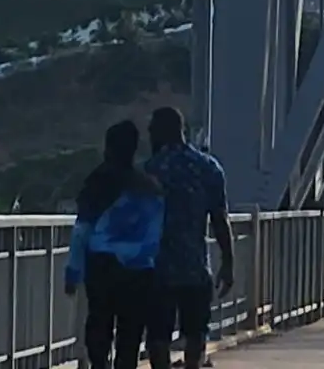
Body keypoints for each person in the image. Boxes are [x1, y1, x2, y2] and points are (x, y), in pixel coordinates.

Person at [65, 120, 165, 369]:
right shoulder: (149, 185)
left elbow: (82, 230)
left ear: (108, 147)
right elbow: (156, 233)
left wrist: (73, 271)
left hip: (102, 266)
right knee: (130, 333)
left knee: (99, 325)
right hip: (140, 269)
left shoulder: (98, 181)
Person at [143, 107, 232, 369]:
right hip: (194, 267)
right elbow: (219, 219)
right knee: (196, 331)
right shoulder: (208, 167)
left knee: (158, 335)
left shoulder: (149, 170)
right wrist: (227, 262)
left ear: (160, 132)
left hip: (157, 269)